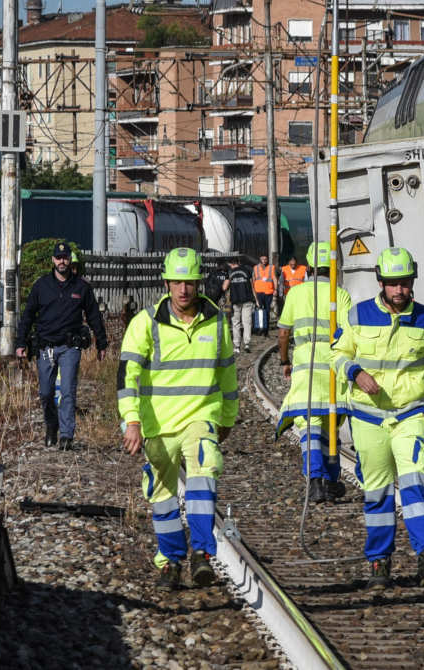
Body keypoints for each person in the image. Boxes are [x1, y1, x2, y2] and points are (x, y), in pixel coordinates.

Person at [331, 247, 424, 588]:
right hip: (369, 419)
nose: (399, 290)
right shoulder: (357, 317)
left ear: (412, 281)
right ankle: (379, 563)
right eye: (392, 284)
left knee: (416, 484)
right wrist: (355, 372)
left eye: (404, 283)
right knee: (377, 493)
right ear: (381, 283)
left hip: (411, 415)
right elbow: (337, 354)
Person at [118, 247, 237, 590]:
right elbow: (127, 375)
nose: (183, 289)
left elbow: (227, 374)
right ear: (166, 282)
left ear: (198, 283)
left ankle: (202, 553)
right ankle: (170, 561)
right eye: (177, 282)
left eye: (190, 282)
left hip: (201, 416)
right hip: (157, 425)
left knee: (204, 469)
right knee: (162, 495)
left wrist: (227, 417)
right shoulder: (146, 322)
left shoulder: (217, 321)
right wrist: (133, 421)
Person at [276, 241, 352, 503]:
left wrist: (284, 359)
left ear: (308, 267)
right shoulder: (339, 294)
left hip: (306, 368)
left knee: (309, 427)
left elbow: (284, 333)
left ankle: (316, 480)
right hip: (332, 368)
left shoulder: (295, 294)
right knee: (331, 427)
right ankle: (331, 480)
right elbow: (349, 332)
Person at [16, 241, 108, 450]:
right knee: (46, 393)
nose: (62, 261)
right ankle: (51, 425)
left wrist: (101, 344)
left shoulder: (81, 287)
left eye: (65, 257)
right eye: (58, 258)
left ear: (70, 260)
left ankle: (67, 435)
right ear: (53, 260)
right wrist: (20, 343)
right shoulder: (41, 286)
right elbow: (28, 316)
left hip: (70, 346)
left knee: (67, 390)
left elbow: (94, 316)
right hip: (45, 347)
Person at [226, 257, 255, 354]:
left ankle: (237, 346)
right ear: (239, 262)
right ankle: (247, 344)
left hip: (235, 301)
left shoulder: (230, 273)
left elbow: (226, 288)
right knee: (247, 323)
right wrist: (256, 299)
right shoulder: (247, 270)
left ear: (231, 264)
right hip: (247, 299)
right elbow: (252, 285)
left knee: (236, 323)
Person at [253, 254, 276, 336]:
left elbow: (274, 278)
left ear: (267, 259)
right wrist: (253, 292)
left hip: (268, 292)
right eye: (262, 259)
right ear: (260, 259)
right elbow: (253, 280)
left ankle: (265, 330)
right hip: (258, 292)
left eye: (265, 259)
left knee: (267, 311)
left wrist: (275, 289)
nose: (264, 260)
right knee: (259, 311)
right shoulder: (255, 268)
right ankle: (259, 328)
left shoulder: (271, 267)